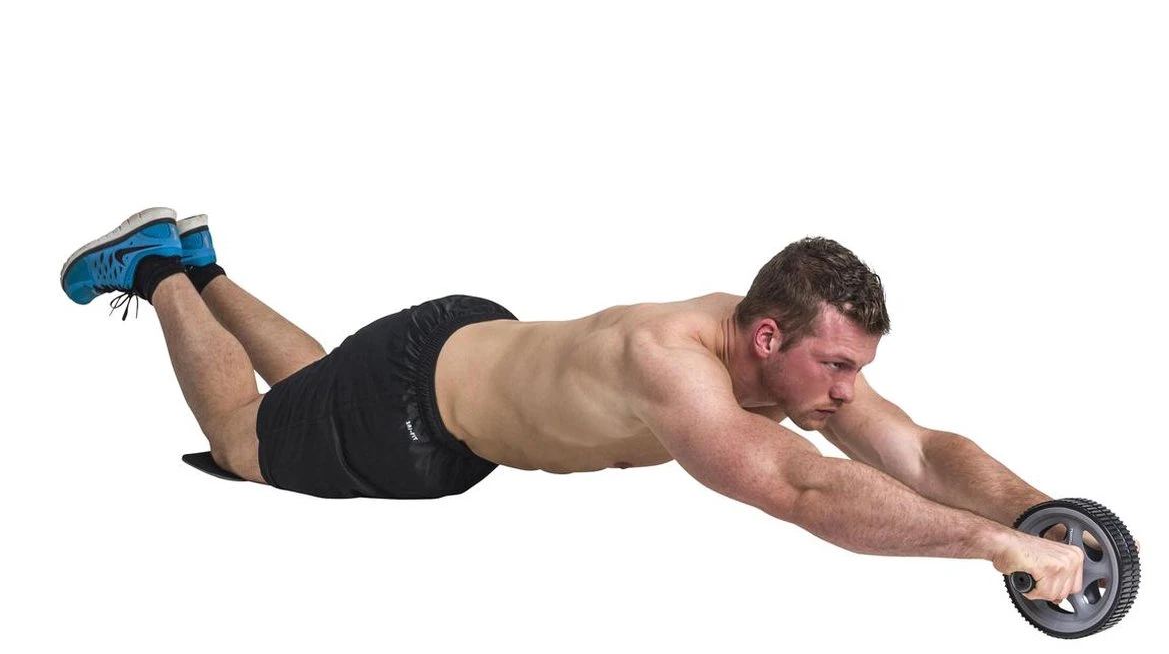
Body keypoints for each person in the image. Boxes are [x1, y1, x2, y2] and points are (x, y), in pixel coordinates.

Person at [60, 207, 1084, 602]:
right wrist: (987, 548)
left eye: (856, 370)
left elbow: (920, 453)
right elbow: (806, 491)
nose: (849, 393)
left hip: (456, 368)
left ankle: (206, 263)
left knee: (313, 391)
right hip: (418, 408)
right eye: (838, 367)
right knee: (247, 440)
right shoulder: (671, 363)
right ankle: (160, 270)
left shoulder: (785, 362)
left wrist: (1037, 519)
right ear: (771, 337)